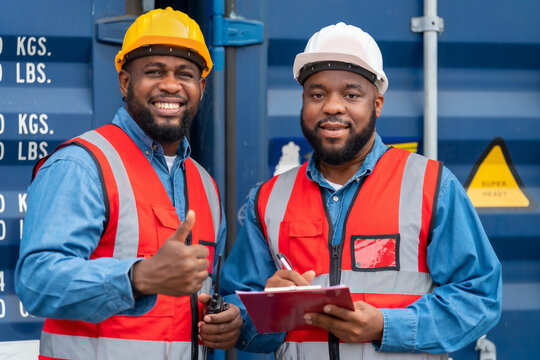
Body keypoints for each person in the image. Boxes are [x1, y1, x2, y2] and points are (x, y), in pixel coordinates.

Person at [220, 22, 502, 359]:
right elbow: (238, 316)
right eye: (317, 94)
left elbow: (479, 298)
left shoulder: (430, 186)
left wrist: (386, 326)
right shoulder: (268, 199)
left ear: (377, 103)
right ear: (303, 102)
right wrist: (268, 309)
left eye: (351, 94)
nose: (332, 107)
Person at [15, 7, 242, 360]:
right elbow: (36, 282)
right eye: (154, 71)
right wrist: (139, 277)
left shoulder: (206, 186)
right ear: (125, 82)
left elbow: (208, 295)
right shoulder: (83, 164)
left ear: (201, 87)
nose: (170, 84)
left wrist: (229, 318)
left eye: (185, 73)